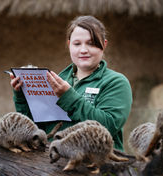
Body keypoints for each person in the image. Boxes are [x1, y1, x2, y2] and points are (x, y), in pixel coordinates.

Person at [10, 15, 132, 151]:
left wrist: (68, 97)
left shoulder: (116, 82)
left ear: (104, 45)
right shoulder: (56, 81)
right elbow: (37, 132)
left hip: (98, 165)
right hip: (52, 163)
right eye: (77, 44)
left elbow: (108, 126)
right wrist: (22, 97)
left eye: (91, 43)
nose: (83, 50)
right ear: (69, 45)